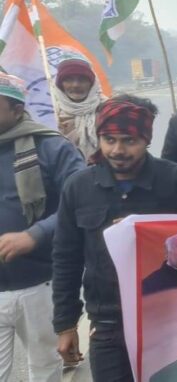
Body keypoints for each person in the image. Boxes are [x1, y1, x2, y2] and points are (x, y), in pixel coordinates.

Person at [53, 94, 177, 381]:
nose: (117, 150)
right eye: (109, 139)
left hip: (171, 318)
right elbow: (65, 259)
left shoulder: (176, 181)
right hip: (108, 324)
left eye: (129, 141)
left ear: (146, 140)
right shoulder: (78, 187)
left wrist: (150, 232)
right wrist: (65, 324)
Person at [0, 73, 85, 381]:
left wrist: (34, 235)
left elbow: (81, 203)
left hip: (41, 284)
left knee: (45, 370)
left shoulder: (52, 148)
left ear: (17, 109)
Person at [53, 56, 103, 160]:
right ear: (60, 85)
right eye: (69, 80)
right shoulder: (51, 113)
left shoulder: (107, 109)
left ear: (92, 84)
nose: (76, 85)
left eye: (82, 80)